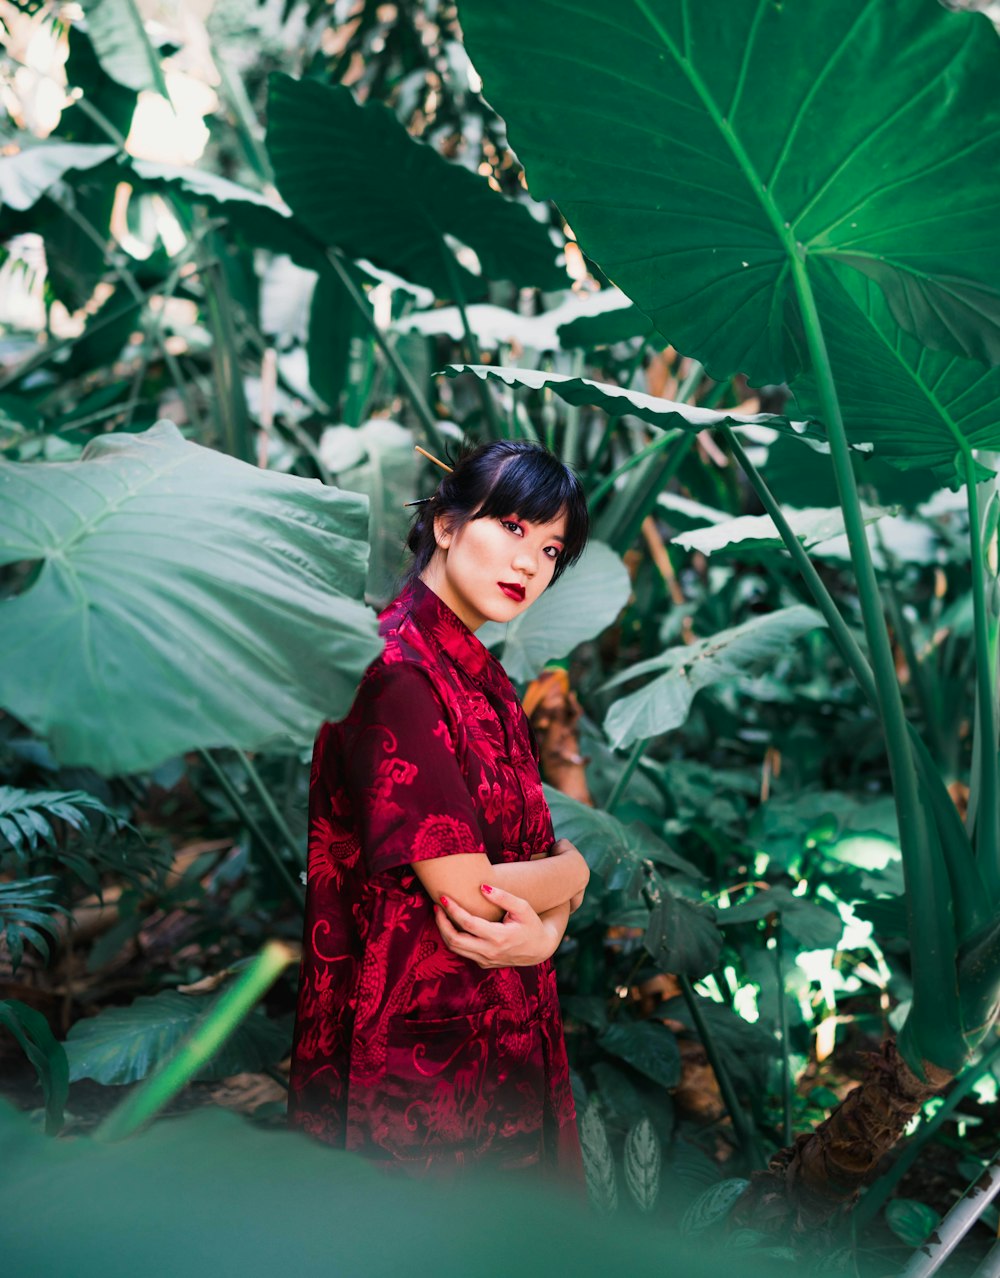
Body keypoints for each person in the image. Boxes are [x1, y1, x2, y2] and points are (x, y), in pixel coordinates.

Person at [288, 439, 592, 1184]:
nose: (530, 563)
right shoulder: (397, 670)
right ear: (447, 524)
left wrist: (543, 936)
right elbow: (472, 891)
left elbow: (515, 876)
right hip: (414, 1061)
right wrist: (577, 872)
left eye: (551, 549)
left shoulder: (478, 675)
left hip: (497, 1021)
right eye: (514, 528)